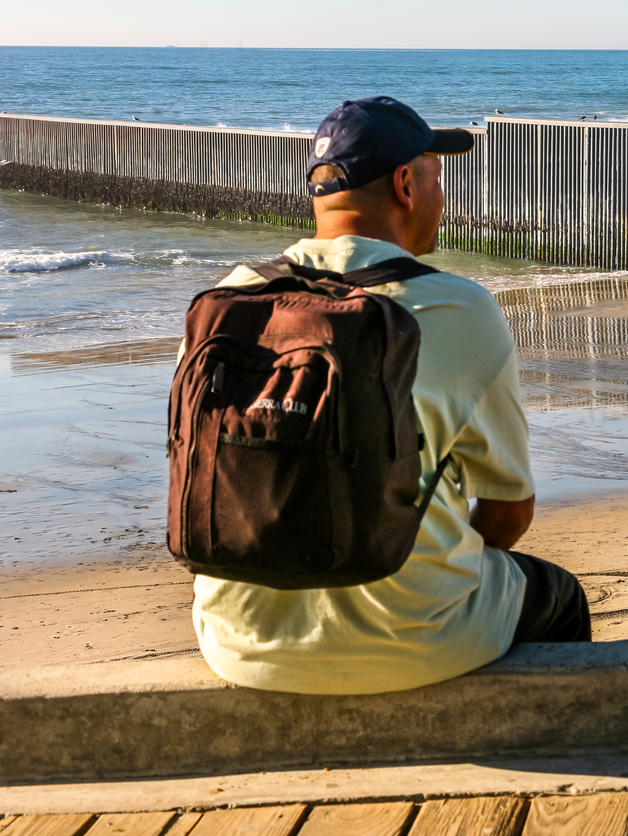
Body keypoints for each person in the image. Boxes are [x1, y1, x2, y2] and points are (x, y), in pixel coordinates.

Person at [190, 96, 590, 695]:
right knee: (561, 598)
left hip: (237, 642)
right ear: (405, 184)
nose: (443, 196)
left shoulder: (229, 299)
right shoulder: (459, 309)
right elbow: (510, 511)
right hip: (412, 640)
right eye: (438, 177)